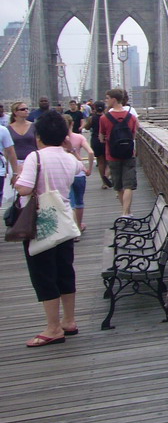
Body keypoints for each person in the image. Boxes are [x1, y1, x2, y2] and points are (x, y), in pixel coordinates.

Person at [15, 110, 84, 347]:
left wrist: (17, 178)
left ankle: (53, 328)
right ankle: (70, 320)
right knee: (65, 271)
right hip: (65, 222)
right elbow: (83, 171)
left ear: (39, 135)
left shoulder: (37, 157)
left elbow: (24, 189)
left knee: (44, 274)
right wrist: (70, 147)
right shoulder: (69, 158)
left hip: (42, 223)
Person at [98, 88, 137, 215]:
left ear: (114, 100)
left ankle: (126, 212)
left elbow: (101, 137)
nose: (106, 101)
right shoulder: (131, 117)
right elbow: (133, 135)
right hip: (129, 154)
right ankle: (126, 213)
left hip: (112, 155)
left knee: (119, 186)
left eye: (107, 98)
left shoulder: (104, 118)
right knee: (129, 185)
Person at [63, 113, 94, 234]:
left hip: (65, 173)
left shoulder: (58, 140)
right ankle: (79, 226)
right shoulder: (79, 138)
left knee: (69, 202)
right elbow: (90, 152)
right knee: (79, 201)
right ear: (72, 124)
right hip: (79, 172)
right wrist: (89, 169)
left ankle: (72, 229)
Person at [85, 101, 112, 189]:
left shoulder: (92, 118)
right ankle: (107, 176)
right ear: (104, 108)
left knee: (100, 162)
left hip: (96, 140)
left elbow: (87, 127)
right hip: (107, 140)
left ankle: (104, 182)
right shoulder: (107, 117)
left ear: (95, 108)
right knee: (109, 161)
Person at [8, 101, 36, 182]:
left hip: (32, 161)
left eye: (27, 109)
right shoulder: (8, 129)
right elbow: (7, 150)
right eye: (23, 109)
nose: (26, 111)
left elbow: (39, 144)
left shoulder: (34, 126)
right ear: (15, 112)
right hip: (15, 162)